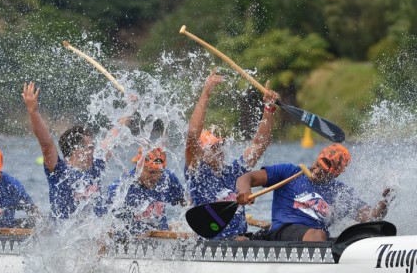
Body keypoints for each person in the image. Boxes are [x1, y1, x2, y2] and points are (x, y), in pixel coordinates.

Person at [185, 69, 278, 239]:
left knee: (278, 231)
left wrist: (268, 108)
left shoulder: (235, 171)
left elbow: (260, 143)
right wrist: (206, 94)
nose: (219, 150)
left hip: (241, 239)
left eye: (220, 145)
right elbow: (192, 135)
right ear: (201, 151)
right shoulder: (196, 172)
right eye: (213, 147)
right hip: (214, 242)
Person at [235, 143, 394, 241]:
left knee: (352, 236)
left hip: (312, 238)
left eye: (324, 171)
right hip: (284, 230)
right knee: (318, 236)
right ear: (318, 157)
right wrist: (244, 191)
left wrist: (385, 199)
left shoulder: (340, 193)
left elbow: (372, 217)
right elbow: (247, 177)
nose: (317, 171)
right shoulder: (289, 172)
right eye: (318, 164)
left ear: (336, 174)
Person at [22, 82, 129, 220]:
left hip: (92, 234)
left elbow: (114, 136)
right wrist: (33, 111)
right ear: (75, 150)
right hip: (64, 236)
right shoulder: (58, 170)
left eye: (93, 147)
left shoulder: (96, 167)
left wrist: (130, 108)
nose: (93, 151)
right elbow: (46, 144)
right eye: (89, 147)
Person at [107, 147, 186, 236]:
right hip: (132, 238)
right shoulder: (123, 188)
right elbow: (108, 222)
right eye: (151, 172)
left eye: (160, 172)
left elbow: (184, 202)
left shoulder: (168, 178)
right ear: (139, 167)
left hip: (160, 235)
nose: (156, 177)